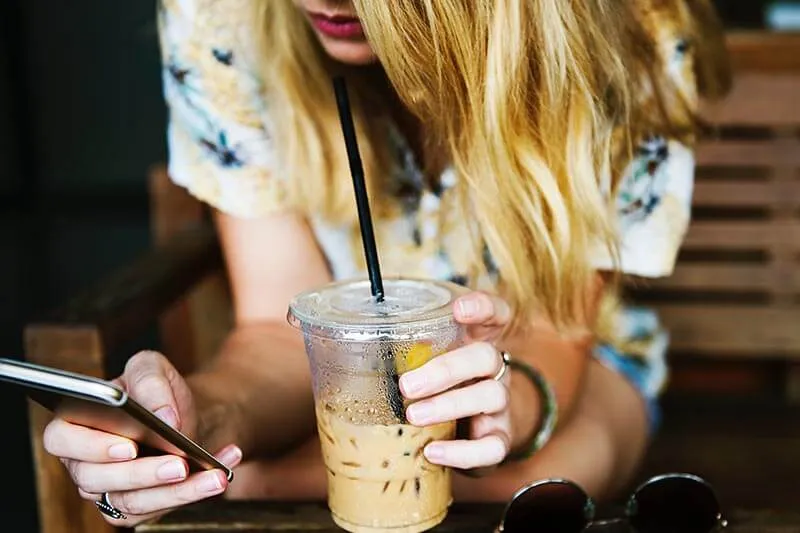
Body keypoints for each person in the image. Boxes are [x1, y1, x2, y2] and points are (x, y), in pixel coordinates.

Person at [42, 0, 731, 526]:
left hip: (566, 358)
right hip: (342, 385)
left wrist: (502, 407)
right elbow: (279, 332)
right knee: (434, 479)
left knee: (544, 475)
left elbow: (557, 331)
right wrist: (204, 422)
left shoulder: (630, 32)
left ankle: (255, 479)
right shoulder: (225, 19)